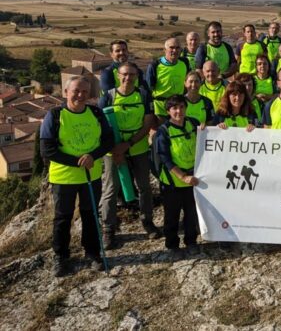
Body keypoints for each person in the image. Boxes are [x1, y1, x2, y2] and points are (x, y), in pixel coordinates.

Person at [40, 76, 114, 277]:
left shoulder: (96, 113)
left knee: (90, 215)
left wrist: (93, 156)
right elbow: (47, 149)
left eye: (84, 92)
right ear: (66, 92)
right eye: (76, 91)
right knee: (63, 218)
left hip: (92, 175)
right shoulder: (55, 115)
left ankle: (92, 253)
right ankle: (61, 257)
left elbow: (108, 140)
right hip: (64, 177)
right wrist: (77, 162)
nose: (80, 95)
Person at [99, 62, 160, 248]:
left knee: (144, 187)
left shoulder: (143, 94)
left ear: (137, 76)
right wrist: (115, 149)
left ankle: (147, 222)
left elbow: (148, 121)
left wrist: (129, 144)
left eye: (132, 74)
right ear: (118, 75)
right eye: (125, 74)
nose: (128, 78)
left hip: (138, 147)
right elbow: (100, 125)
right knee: (110, 189)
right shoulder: (108, 97)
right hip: (113, 150)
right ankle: (108, 229)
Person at [154, 95, 201, 259]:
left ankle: (191, 241)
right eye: (174, 108)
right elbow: (164, 158)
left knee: (191, 213)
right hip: (173, 183)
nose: (178, 111)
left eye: (181, 107)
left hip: (193, 179)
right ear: (168, 111)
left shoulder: (193, 124)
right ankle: (172, 245)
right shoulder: (164, 131)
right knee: (172, 216)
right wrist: (182, 176)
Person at [145, 37, 189, 119]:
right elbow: (148, 89)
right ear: (165, 50)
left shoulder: (185, 62)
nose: (175, 51)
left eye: (177, 48)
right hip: (160, 106)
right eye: (171, 47)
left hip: (178, 106)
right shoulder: (154, 65)